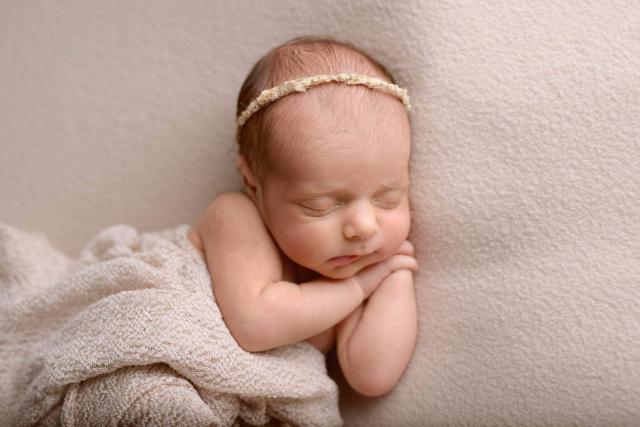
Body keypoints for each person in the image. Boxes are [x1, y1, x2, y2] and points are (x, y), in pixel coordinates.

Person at [187, 35, 418, 398]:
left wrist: (394, 277)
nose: (364, 227)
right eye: (321, 205)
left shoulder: (345, 267)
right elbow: (255, 324)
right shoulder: (234, 216)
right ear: (253, 184)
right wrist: (357, 288)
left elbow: (371, 375)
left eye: (388, 199)